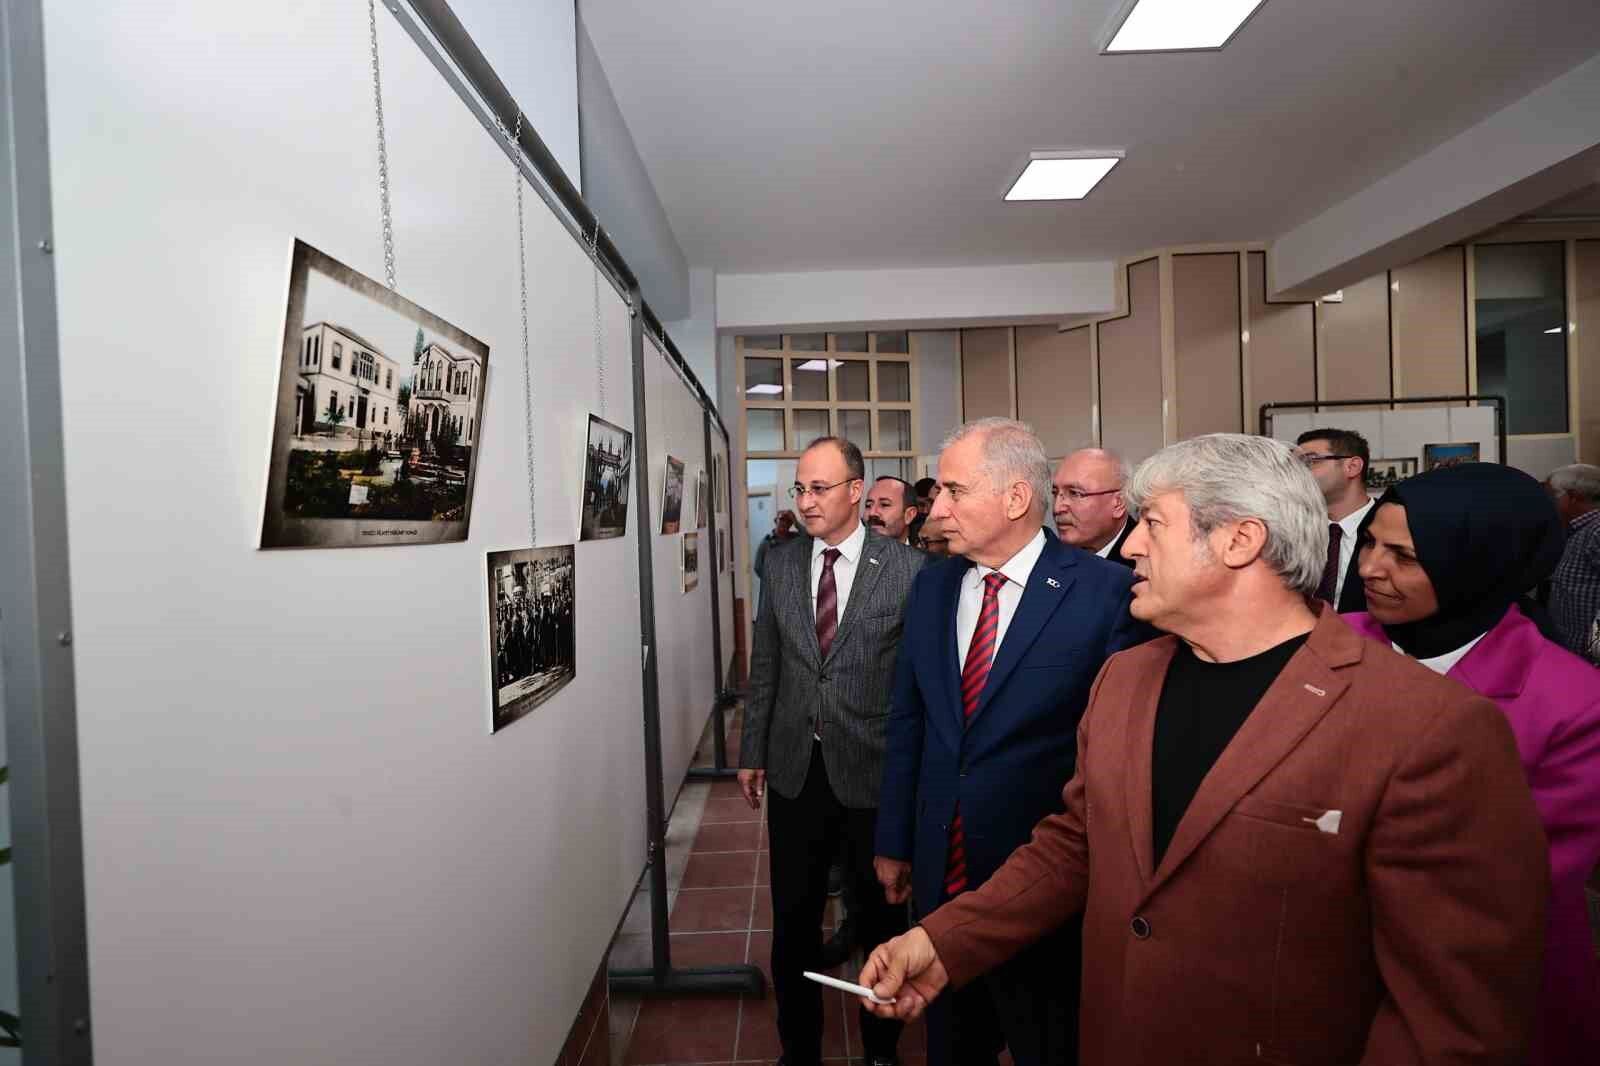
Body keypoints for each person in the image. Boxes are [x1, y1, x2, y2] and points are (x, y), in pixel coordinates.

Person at [859, 433, 1547, 1066]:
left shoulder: (1427, 728)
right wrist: (946, 941)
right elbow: (1077, 844)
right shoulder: (1126, 681)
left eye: (1153, 524)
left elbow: (1453, 1018)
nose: (1129, 547)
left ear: (1240, 540)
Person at [874, 419, 1146, 1066]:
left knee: (1049, 1042)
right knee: (953, 1044)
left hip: (1046, 887)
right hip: (943, 870)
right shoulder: (934, 585)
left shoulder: (1105, 595)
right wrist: (894, 838)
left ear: (1016, 498)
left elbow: (1111, 759)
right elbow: (909, 718)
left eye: (954, 491)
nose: (936, 509)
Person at [1343, 461, 1600, 1064]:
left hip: (1476, 996)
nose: (1370, 568)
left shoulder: (1572, 702)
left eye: (1404, 556)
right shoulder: (1324, 645)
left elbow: (1513, 879)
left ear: (1481, 562)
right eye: (1371, 542)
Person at [739, 436, 928, 1066]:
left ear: (855, 491)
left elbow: (917, 687)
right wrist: (752, 747)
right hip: (796, 771)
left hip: (871, 773)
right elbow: (766, 661)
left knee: (879, 922)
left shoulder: (905, 571)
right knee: (793, 923)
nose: (806, 500)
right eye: (799, 488)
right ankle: (800, 1050)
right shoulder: (784, 563)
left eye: (820, 488)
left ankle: (879, 1048)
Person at [1294, 427, 1374, 611]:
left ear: (1352, 467)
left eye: (1310, 461)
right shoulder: (1292, 530)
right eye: (1295, 465)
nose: (1298, 473)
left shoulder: (1394, 526)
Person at [1545, 463, 1600, 663]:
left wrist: (1597, 649)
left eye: (1552, 496)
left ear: (1574, 497)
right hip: (1575, 655)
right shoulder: (1575, 531)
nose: (1548, 502)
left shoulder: (1596, 531)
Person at [1050, 447, 1134, 566]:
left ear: (1118, 503)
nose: (1057, 508)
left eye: (1075, 493)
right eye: (1055, 493)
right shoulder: (1049, 559)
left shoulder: (1145, 563)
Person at [864, 476, 919, 544]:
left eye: (884, 504)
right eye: (868, 505)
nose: (872, 513)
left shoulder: (922, 553)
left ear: (909, 515)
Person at [753, 508, 798, 581]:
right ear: (775, 521)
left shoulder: (795, 539)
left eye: (788, 521)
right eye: (781, 519)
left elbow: (809, 537)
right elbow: (757, 567)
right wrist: (770, 580)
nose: (784, 523)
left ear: (790, 524)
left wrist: (796, 522)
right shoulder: (766, 542)